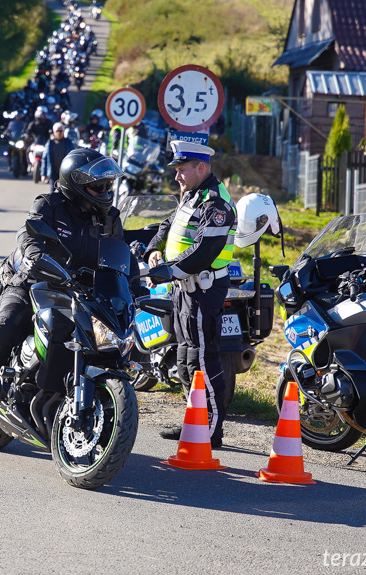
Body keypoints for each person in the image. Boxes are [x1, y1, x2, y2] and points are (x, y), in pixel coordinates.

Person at [0, 148, 137, 399]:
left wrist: (136, 285)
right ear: (76, 183)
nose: (105, 192)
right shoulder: (50, 204)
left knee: (110, 337)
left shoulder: (110, 218)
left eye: (107, 186)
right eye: (98, 186)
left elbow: (122, 254)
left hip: (81, 288)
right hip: (35, 277)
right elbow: (29, 232)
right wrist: (35, 253)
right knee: (9, 321)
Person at [144, 140, 236, 448]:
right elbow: (170, 224)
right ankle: (194, 422)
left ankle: (211, 431)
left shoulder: (216, 203)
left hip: (203, 290)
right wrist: (154, 249)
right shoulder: (193, 196)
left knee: (203, 359)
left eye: (182, 170)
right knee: (184, 358)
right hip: (184, 290)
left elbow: (204, 250)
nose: (177, 177)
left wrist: (168, 270)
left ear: (202, 167)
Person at [41, 122, 75, 191]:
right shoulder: (50, 143)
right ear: (54, 132)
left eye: (61, 131)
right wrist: (43, 174)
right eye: (57, 131)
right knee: (52, 192)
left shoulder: (69, 143)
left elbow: (74, 157)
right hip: (53, 171)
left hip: (65, 172)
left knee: (66, 191)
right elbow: (45, 159)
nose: (59, 133)